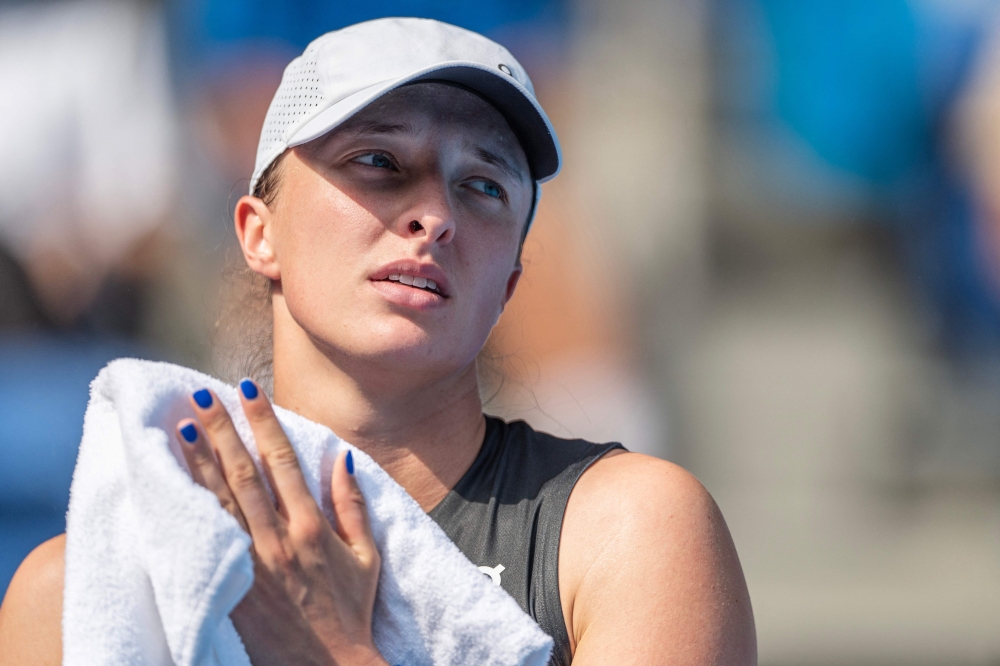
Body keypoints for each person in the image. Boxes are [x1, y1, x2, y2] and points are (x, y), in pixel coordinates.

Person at [0, 18, 756, 665]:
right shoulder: (74, 592)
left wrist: (333, 650)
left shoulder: (630, 532)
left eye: (484, 185)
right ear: (258, 235)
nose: (435, 215)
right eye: (379, 163)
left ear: (510, 286)